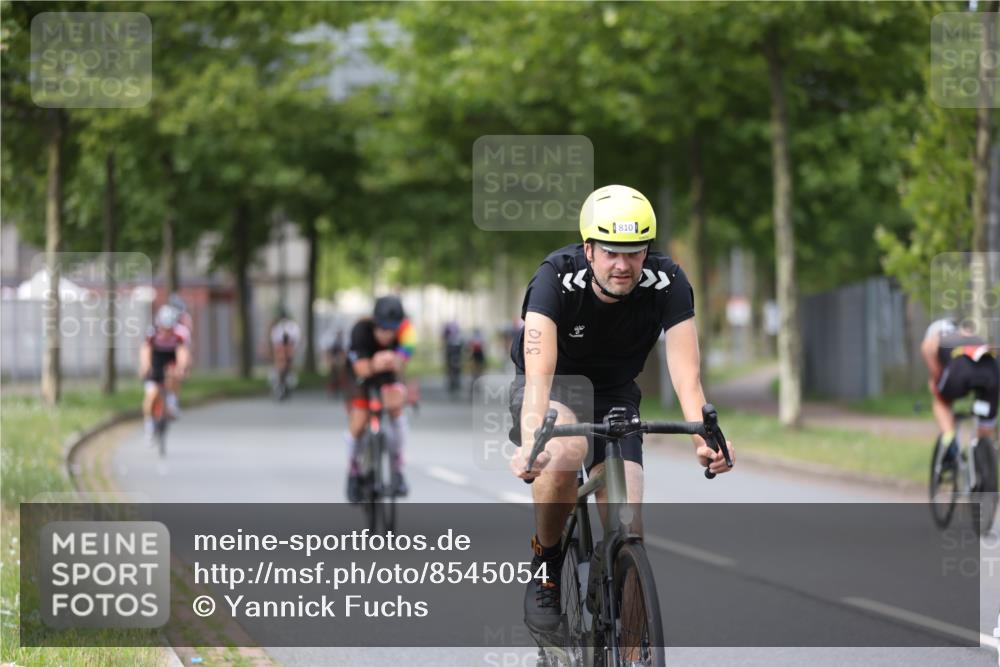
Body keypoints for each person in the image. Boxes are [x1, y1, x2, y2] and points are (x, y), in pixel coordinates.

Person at [507, 184, 735, 632]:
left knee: (629, 518)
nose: (623, 265)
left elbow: (686, 375)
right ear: (589, 248)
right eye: (611, 252)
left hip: (615, 393)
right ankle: (548, 564)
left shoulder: (668, 281)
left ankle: (629, 637)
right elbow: (539, 371)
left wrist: (703, 439)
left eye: (634, 253)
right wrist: (535, 437)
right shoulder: (555, 276)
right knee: (564, 453)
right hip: (555, 388)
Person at [345, 295, 416, 503]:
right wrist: (376, 363)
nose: (387, 334)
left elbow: (405, 357)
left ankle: (397, 469)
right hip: (360, 375)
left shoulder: (405, 330)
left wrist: (397, 360)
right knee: (359, 423)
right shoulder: (360, 330)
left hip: (386, 375)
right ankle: (353, 471)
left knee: (396, 410)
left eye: (392, 329)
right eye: (383, 328)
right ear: (375, 322)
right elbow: (361, 368)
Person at [921, 318, 998, 461]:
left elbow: (936, 371)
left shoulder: (935, 337)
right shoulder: (968, 333)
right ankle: (982, 461)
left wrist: (934, 381)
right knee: (985, 426)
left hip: (960, 370)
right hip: (992, 371)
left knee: (940, 401)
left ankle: (949, 439)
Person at [139, 304, 191, 445]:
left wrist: (182, 367)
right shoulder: (152, 333)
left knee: (174, 374)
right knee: (151, 397)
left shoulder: (181, 333)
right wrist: (145, 366)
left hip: (171, 357)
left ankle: (172, 402)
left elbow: (183, 352)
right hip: (156, 358)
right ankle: (149, 429)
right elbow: (145, 350)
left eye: (169, 329)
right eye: (164, 328)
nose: (167, 332)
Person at [269, 306, 301, 394]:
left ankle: (286, 381)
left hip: (286, 348)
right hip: (282, 348)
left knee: (287, 366)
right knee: (281, 366)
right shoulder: (280, 327)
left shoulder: (290, 326)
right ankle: (280, 382)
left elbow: (295, 339)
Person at [325, 329, 348, 395]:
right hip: (334, 359)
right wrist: (330, 360)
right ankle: (333, 388)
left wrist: (342, 359)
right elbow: (329, 352)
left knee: (341, 374)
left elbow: (344, 353)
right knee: (333, 375)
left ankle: (340, 387)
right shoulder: (333, 342)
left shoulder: (343, 342)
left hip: (339, 360)